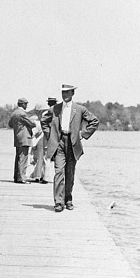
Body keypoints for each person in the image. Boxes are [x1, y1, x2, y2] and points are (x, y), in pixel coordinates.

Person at [41, 84, 99, 212]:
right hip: (59, 142)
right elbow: (44, 121)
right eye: (63, 92)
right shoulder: (55, 109)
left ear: (73, 93)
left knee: (70, 173)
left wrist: (83, 134)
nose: (64, 95)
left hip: (73, 144)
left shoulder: (80, 109)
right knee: (59, 172)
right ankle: (58, 202)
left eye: (67, 92)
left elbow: (95, 121)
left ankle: (68, 199)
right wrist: (50, 136)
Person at [8, 97, 35, 183]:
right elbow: (32, 124)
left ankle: (17, 176)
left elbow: (10, 124)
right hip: (24, 138)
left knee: (18, 158)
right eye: (26, 104)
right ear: (22, 104)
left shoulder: (14, 113)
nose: (26, 106)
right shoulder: (22, 113)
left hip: (17, 137)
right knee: (23, 158)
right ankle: (21, 178)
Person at [28, 103, 48, 183]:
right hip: (43, 140)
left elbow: (35, 133)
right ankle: (40, 175)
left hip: (39, 140)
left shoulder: (37, 121)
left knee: (38, 158)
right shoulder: (41, 120)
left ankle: (37, 175)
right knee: (42, 159)